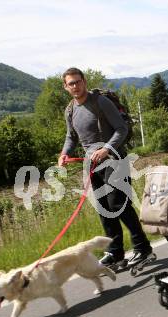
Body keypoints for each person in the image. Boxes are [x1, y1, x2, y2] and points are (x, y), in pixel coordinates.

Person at [58, 67, 153, 267]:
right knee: (104, 209)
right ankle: (115, 252)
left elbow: (121, 128)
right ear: (65, 87)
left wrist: (106, 149)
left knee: (119, 205)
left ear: (84, 81)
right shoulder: (70, 110)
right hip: (91, 165)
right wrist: (65, 153)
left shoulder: (100, 102)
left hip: (114, 159)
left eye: (78, 81)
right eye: (71, 83)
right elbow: (71, 137)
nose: (75, 86)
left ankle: (143, 248)